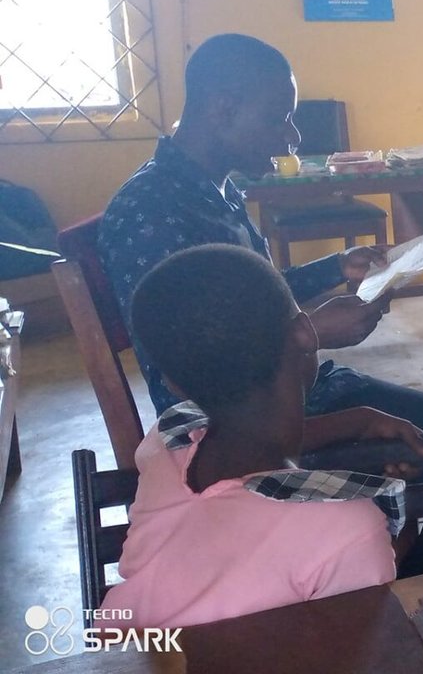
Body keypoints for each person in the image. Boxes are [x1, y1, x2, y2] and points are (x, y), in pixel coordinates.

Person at [97, 34, 423, 576]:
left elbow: (251, 297)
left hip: (305, 389)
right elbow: (196, 377)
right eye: (279, 118)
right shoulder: (151, 214)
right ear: (223, 109)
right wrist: (313, 333)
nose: (291, 136)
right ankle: (392, 593)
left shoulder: (214, 190)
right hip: (245, 426)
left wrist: (336, 267)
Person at [103, 245, 404, 628]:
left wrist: (355, 422)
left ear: (173, 383)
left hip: (125, 648)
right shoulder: (347, 529)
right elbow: (365, 647)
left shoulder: (164, 441)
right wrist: (398, 524)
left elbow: (234, 446)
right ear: (304, 333)